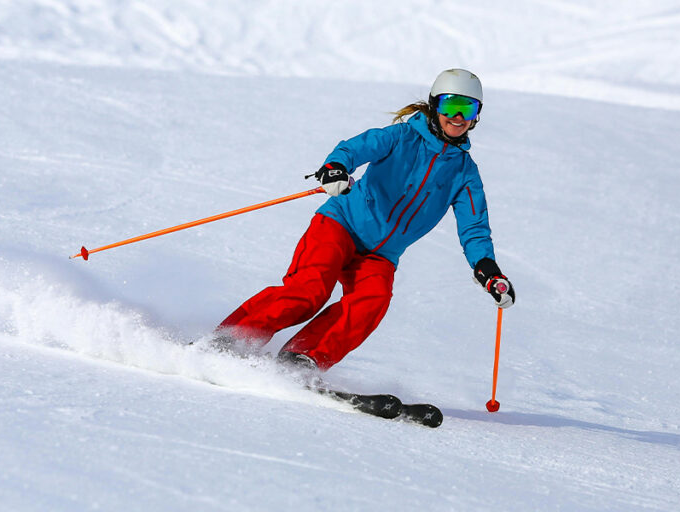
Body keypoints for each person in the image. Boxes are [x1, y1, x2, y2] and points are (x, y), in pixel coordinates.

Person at [214, 68, 515, 372]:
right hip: (341, 225)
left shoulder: (465, 174)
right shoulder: (401, 137)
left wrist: (487, 268)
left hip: (380, 255)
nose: (458, 117)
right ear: (435, 105)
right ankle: (231, 341)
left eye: (468, 108)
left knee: (372, 301)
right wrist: (336, 167)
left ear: (477, 116)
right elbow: (356, 148)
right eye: (451, 106)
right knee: (308, 291)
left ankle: (302, 359)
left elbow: (474, 227)